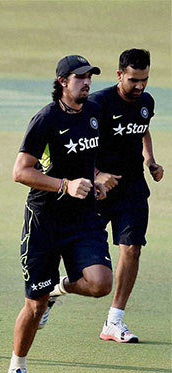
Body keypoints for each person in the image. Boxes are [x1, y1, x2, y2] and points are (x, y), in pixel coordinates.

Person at [4, 55, 111, 373]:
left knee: (100, 283)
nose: (86, 83)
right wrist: (66, 185)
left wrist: (95, 180)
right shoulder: (46, 119)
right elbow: (21, 171)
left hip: (83, 220)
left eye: (89, 77)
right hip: (44, 223)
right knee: (32, 307)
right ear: (63, 81)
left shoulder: (93, 114)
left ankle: (57, 291)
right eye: (79, 78)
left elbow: (88, 160)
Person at [84, 49, 162, 342]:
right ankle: (52, 291)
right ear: (119, 75)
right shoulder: (98, 103)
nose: (140, 86)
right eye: (133, 80)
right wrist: (96, 176)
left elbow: (143, 129)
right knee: (82, 254)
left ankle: (114, 321)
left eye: (144, 80)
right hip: (99, 190)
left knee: (132, 248)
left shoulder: (146, 101)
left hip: (132, 188)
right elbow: (80, 142)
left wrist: (150, 159)